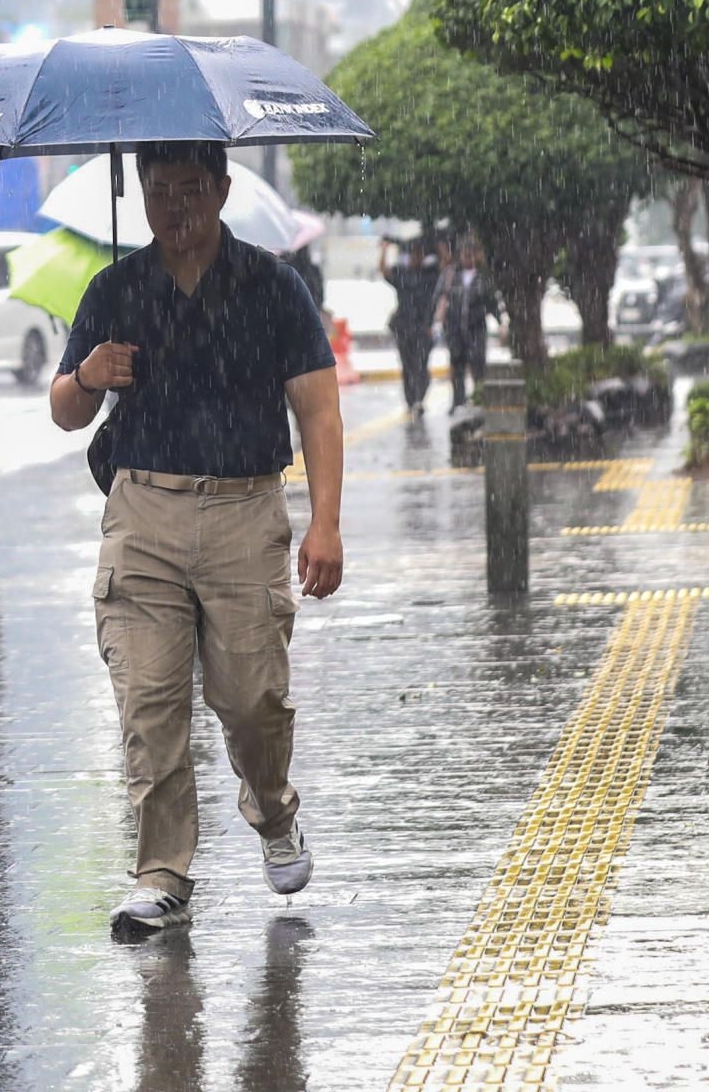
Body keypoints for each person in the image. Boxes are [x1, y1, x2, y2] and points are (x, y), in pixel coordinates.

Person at [50, 142, 343, 940]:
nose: (173, 208)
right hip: (143, 512)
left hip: (245, 512)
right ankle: (162, 871)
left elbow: (318, 407)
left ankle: (273, 807)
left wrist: (325, 521)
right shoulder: (115, 289)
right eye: (157, 192)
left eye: (188, 190)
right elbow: (64, 410)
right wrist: (90, 375)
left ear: (220, 189)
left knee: (252, 700)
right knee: (149, 702)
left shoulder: (271, 286)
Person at [381, 235, 443, 412]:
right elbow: (385, 272)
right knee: (407, 365)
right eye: (412, 254)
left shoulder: (430, 275)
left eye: (418, 254)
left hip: (423, 327)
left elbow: (445, 267)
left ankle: (419, 398)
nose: (414, 258)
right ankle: (411, 400)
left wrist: (440, 248)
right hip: (404, 326)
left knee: (421, 365)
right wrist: (385, 251)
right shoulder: (402, 274)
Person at [440, 236, 491, 407]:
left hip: (476, 328)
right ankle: (458, 402)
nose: (468, 257)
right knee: (457, 366)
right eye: (464, 254)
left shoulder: (484, 277)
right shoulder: (452, 275)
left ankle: (479, 399)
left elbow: (492, 302)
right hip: (455, 329)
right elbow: (441, 297)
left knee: (478, 366)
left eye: (471, 254)